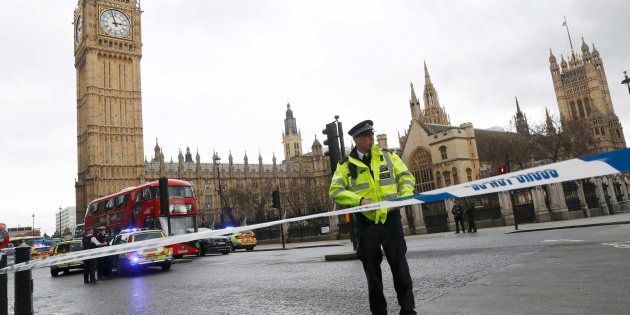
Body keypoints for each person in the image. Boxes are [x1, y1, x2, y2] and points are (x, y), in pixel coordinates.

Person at [329, 120, 417, 315]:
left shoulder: (388, 156)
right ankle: (379, 311)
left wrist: (404, 196)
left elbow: (406, 176)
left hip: (390, 219)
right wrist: (359, 200)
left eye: (372, 135)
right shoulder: (345, 165)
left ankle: (408, 309)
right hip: (365, 223)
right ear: (356, 140)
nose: (371, 139)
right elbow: (335, 190)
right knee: (372, 273)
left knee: (400, 267)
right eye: (367, 136)